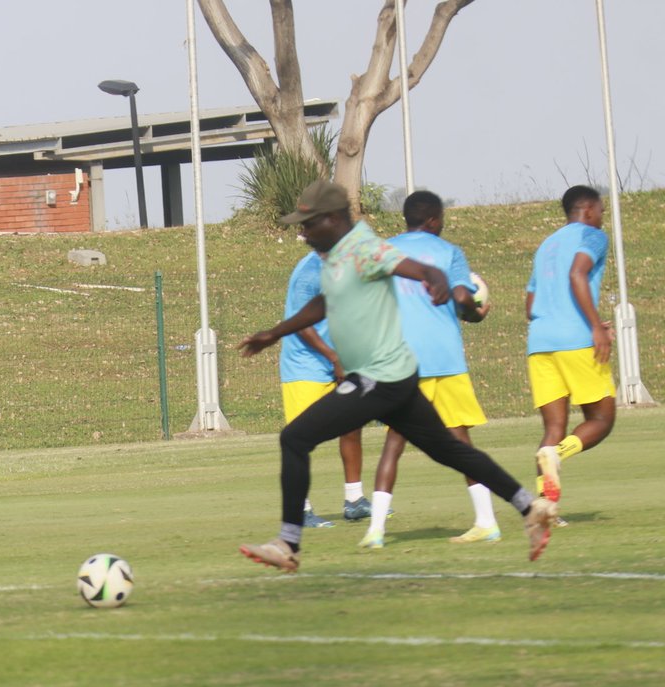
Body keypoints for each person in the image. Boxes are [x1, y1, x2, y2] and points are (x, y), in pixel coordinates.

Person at [236, 179, 557, 573]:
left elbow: (415, 267)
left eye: (308, 223)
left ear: (334, 219)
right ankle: (531, 506)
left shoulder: (364, 248)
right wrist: (274, 333)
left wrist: (435, 278)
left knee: (295, 438)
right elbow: (325, 301)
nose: (301, 232)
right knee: (450, 450)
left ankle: (288, 543)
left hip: (380, 378)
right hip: (396, 376)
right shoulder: (335, 256)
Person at [359, 190, 496, 549]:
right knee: (461, 441)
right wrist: (475, 313)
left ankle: (375, 530)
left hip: (403, 362)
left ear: (408, 218)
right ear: (434, 219)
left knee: (394, 443)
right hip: (446, 359)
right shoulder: (449, 253)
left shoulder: (385, 250)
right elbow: (464, 298)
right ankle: (486, 521)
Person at [526, 184, 616, 507]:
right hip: (575, 340)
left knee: (554, 427)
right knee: (602, 419)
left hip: (539, 342)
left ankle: (546, 507)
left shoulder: (546, 245)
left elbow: (530, 304)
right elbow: (577, 275)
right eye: (602, 211)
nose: (602, 217)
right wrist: (594, 326)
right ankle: (557, 453)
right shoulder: (592, 236)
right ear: (588, 210)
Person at [279, 251, 373, 527]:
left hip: (341, 361)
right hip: (305, 367)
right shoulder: (309, 271)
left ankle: (354, 500)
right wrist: (334, 358)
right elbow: (300, 324)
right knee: (300, 440)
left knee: (352, 427)